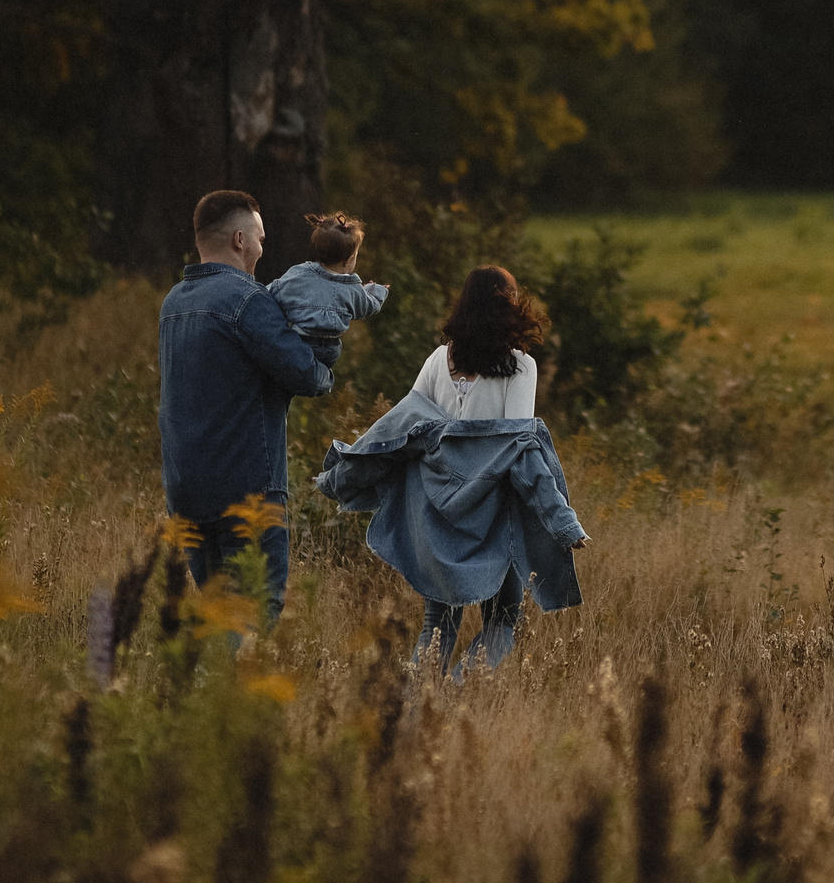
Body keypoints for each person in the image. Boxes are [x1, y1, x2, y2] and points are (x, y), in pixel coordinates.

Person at [314, 266, 590, 677]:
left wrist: (342, 474)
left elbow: (398, 429)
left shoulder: (438, 361)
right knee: (502, 622)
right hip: (494, 517)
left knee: (437, 624)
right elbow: (517, 449)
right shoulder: (520, 367)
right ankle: (457, 691)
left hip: (436, 518)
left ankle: (412, 707)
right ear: (509, 306)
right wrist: (562, 521)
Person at [157, 189, 338, 628]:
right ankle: (226, 696)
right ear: (239, 240)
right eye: (259, 238)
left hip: (185, 491)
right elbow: (305, 375)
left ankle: (200, 694)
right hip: (247, 489)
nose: (262, 247)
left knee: (219, 613)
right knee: (256, 612)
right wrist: (326, 347)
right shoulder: (247, 300)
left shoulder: (173, 304)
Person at [266, 212, 389, 374]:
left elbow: (273, 291)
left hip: (299, 341)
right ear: (349, 259)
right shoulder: (352, 287)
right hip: (330, 351)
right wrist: (377, 291)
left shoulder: (300, 274)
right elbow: (368, 306)